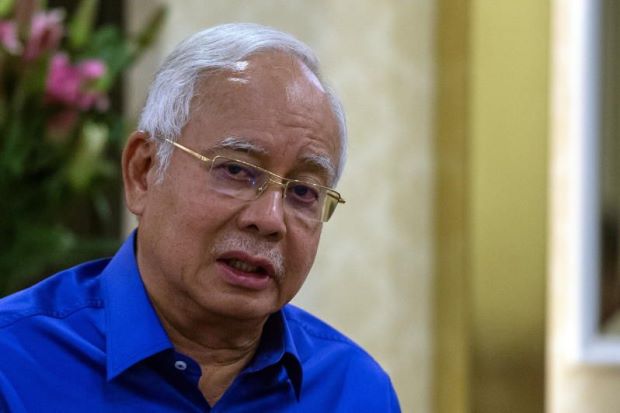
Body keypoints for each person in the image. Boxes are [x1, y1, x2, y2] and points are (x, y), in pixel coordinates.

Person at [0, 23, 401, 412]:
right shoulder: (14, 363)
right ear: (143, 171)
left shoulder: (354, 391)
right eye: (236, 170)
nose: (269, 219)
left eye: (303, 192)